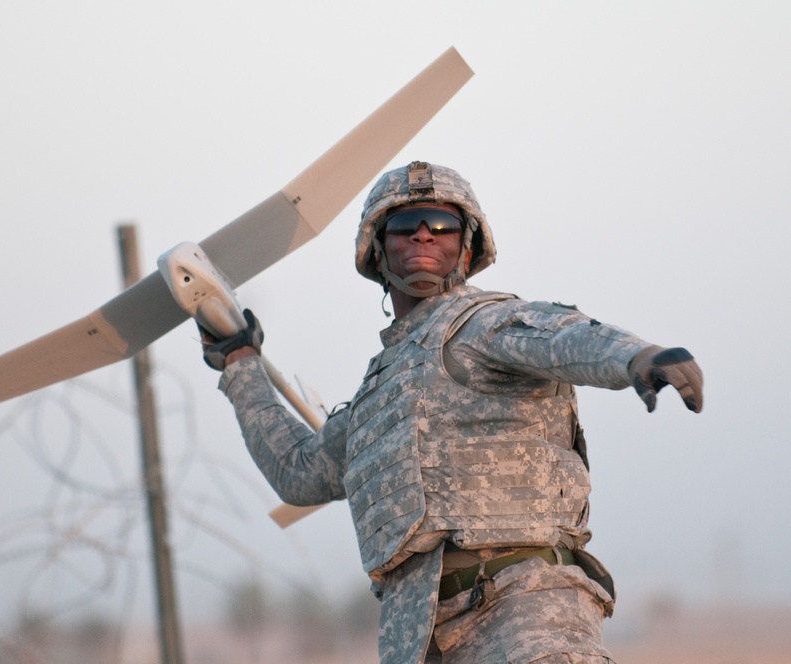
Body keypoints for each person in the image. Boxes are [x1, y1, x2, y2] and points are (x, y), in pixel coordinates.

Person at [199, 161, 703, 663]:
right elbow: (300, 472)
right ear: (378, 249)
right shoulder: (379, 397)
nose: (423, 235)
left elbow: (564, 337)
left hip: (525, 613)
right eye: (404, 225)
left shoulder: (485, 323)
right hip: (423, 635)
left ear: (465, 246)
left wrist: (637, 357)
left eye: (442, 225)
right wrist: (240, 363)